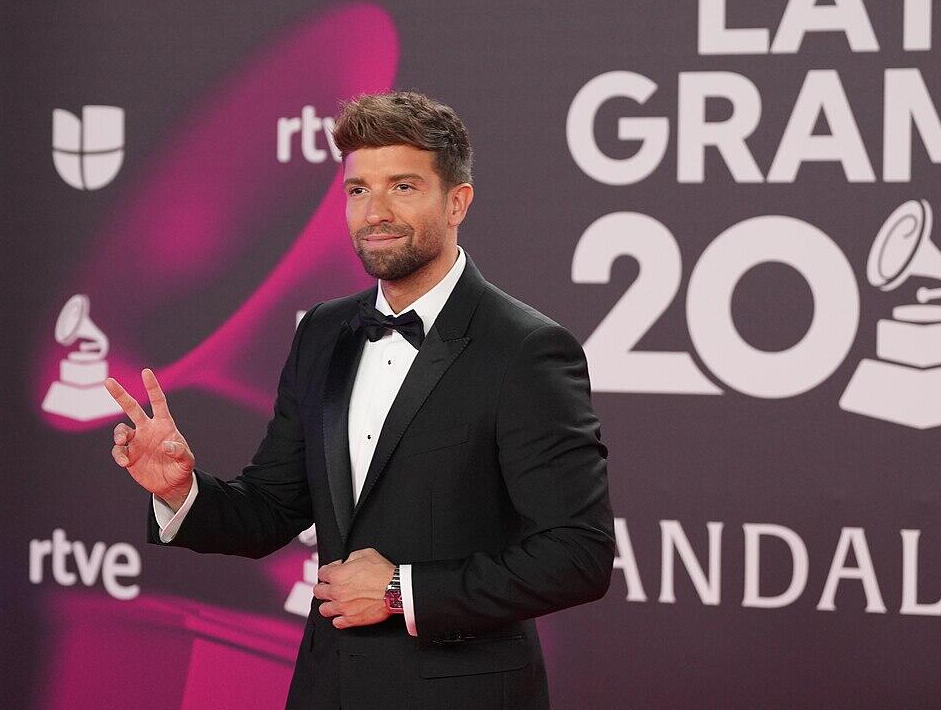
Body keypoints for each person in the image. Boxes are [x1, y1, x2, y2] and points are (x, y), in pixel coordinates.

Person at [104, 90, 615, 709]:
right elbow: (272, 508)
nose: (374, 212)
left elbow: (578, 555)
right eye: (357, 190)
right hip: (331, 689)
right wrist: (179, 490)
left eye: (402, 186)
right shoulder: (323, 330)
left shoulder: (526, 348)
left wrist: (402, 592)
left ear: (457, 202)